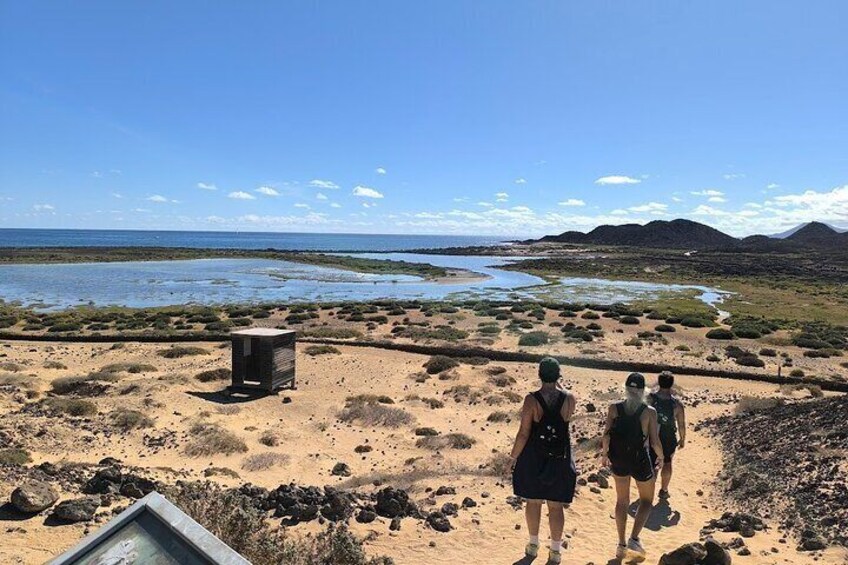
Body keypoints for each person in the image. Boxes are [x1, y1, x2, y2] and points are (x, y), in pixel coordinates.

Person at [509, 357, 577, 564]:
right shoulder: (570, 398)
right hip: (560, 456)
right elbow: (565, 416)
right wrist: (560, 384)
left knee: (534, 501)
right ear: (558, 375)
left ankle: (533, 544)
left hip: (534, 456)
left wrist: (513, 457)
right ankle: (555, 551)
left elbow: (523, 433)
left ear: (539, 374)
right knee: (556, 506)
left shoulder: (531, 400)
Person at [601, 372, 664, 562]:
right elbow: (654, 442)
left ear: (626, 388)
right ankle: (634, 539)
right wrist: (661, 458)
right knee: (646, 500)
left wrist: (605, 455)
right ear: (643, 390)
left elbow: (606, 436)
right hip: (640, 459)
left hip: (618, 458)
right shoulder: (649, 411)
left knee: (622, 501)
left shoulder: (614, 408)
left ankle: (621, 545)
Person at [648, 371, 686, 500]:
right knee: (667, 462)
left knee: (652, 463)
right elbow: (681, 424)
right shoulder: (677, 405)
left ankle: (648, 490)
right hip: (668, 437)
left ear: (659, 382)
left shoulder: (649, 399)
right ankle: (664, 490)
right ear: (671, 385)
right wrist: (682, 439)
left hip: (652, 435)